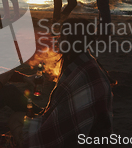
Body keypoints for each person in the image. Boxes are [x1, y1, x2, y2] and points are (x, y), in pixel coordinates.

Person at [8, 18, 113, 147]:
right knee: (19, 115)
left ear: (73, 40)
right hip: (89, 132)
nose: (57, 39)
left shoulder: (84, 74)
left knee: (15, 120)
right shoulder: (84, 64)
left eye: (62, 35)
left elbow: (66, 125)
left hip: (85, 137)